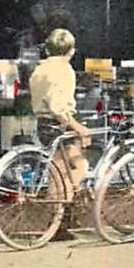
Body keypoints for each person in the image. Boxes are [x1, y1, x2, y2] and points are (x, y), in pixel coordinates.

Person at [27, 28, 91, 240]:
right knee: (78, 168)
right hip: (59, 125)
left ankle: (57, 219)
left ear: (47, 48)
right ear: (71, 51)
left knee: (58, 173)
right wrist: (79, 128)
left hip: (43, 124)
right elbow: (59, 108)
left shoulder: (39, 69)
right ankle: (62, 214)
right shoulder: (64, 70)